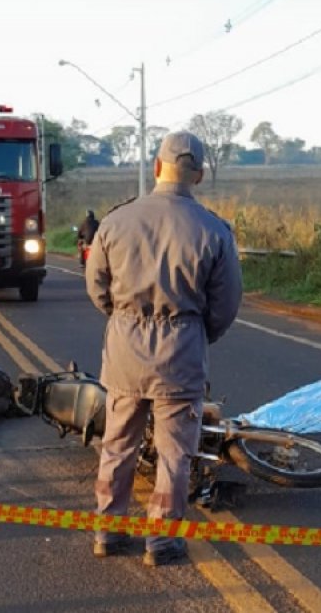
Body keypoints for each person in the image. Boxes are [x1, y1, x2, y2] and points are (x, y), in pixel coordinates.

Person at [85, 130, 243, 567]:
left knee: (117, 445)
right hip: (180, 354)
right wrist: (195, 334)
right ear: (200, 176)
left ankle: (108, 531)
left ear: (157, 168)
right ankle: (162, 542)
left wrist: (124, 321)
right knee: (175, 455)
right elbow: (225, 306)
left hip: (125, 353)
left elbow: (97, 289)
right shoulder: (214, 231)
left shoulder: (115, 222)